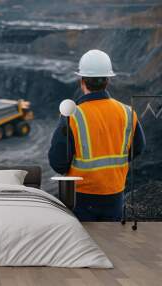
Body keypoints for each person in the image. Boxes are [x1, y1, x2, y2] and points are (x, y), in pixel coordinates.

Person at [48, 49, 146, 221]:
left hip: (81, 198)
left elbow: (58, 163)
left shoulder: (72, 115)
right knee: (110, 243)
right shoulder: (128, 112)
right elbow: (138, 148)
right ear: (107, 81)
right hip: (115, 194)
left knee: (84, 245)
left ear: (82, 81)